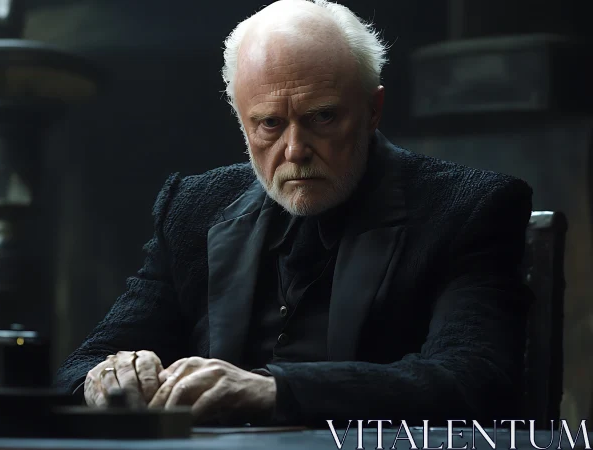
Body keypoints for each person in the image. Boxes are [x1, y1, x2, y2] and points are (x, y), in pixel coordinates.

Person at [55, 0, 533, 426]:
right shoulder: (193, 208)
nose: (295, 149)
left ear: (372, 109)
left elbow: (476, 381)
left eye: (322, 117)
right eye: (269, 123)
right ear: (242, 123)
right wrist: (108, 379)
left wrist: (277, 390)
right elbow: (81, 367)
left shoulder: (468, 208)